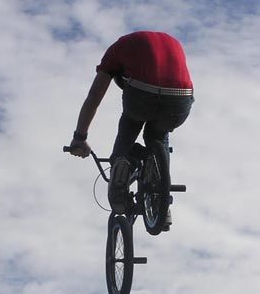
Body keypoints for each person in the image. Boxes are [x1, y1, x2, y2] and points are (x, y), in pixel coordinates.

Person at [68, 31, 194, 226]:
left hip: (141, 97)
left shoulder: (116, 50)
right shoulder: (172, 42)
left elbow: (94, 97)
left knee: (130, 122)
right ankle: (163, 200)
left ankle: (121, 163)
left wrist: (79, 137)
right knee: (158, 136)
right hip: (181, 100)